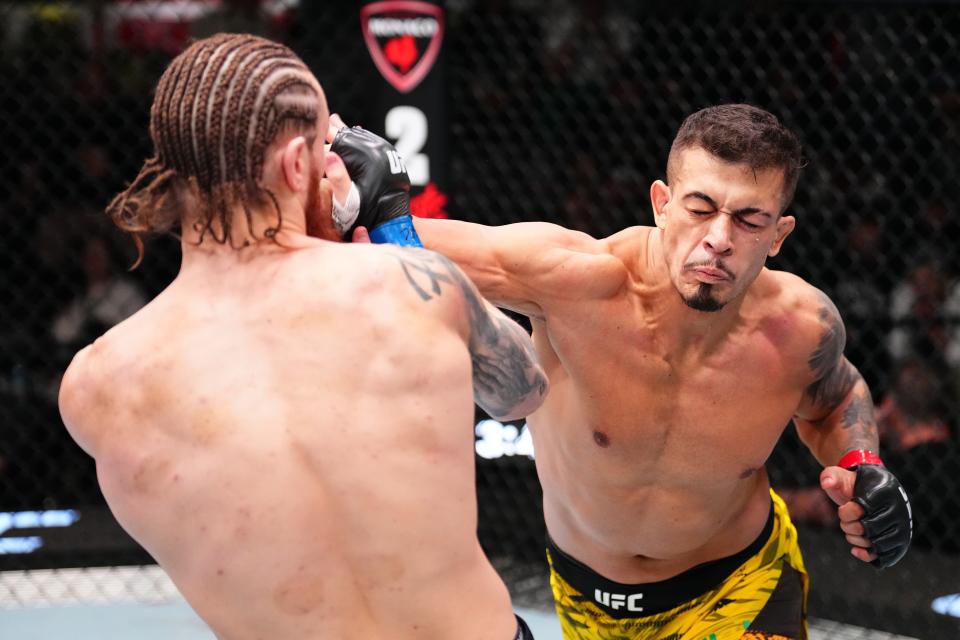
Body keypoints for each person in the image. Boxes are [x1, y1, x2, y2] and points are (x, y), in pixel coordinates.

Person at [331, 104, 913, 640]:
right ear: (661, 203)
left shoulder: (800, 325)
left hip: (741, 586)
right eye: (700, 208)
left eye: (749, 220)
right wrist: (358, 197)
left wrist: (862, 463)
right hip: (584, 598)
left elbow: (834, 396)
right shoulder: (577, 281)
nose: (718, 240)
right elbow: (394, 245)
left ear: (779, 234)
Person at [57, 33, 547, 640]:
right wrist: (393, 232)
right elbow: (522, 394)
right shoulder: (410, 286)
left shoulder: (95, 386)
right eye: (324, 150)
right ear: (295, 165)